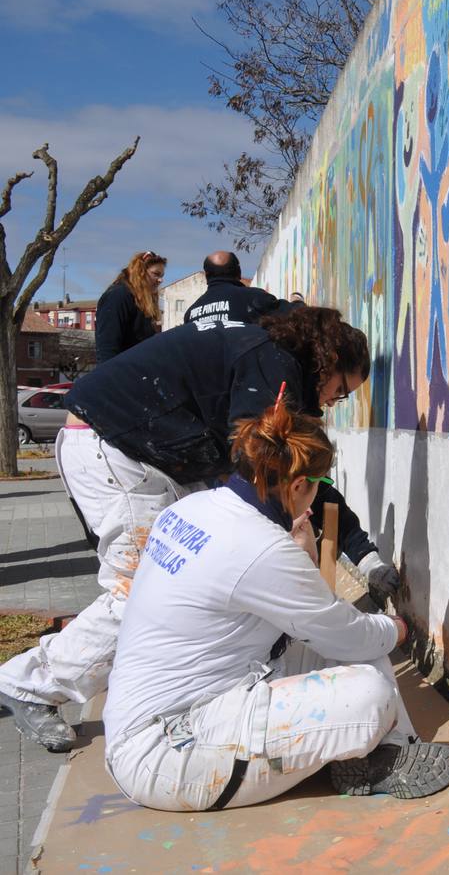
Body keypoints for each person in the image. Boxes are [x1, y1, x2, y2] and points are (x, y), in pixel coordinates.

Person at [0, 306, 385, 752]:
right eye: (338, 391)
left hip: (125, 448)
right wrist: (353, 555)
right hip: (117, 454)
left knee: (171, 579)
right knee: (145, 588)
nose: (325, 405)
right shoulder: (274, 368)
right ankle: (28, 683)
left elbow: (298, 482)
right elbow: (284, 476)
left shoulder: (261, 354)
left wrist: (359, 550)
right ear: (326, 359)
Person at [102, 400, 449, 809]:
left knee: (355, 652)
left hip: (170, 713)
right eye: (318, 485)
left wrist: (302, 560)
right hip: (173, 753)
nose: (317, 498)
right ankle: (380, 754)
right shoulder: (261, 547)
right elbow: (347, 634)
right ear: (294, 487)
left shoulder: (193, 508)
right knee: (370, 690)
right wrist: (398, 628)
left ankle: (386, 755)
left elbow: (306, 620)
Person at [183, 253, 401, 605]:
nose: (333, 401)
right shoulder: (270, 357)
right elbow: (307, 486)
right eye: (341, 391)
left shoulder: (194, 312)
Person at [95, 250, 164, 362]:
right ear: (140, 272)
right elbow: (107, 346)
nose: (160, 280)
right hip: (120, 373)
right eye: (156, 274)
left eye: (161, 275)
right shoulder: (117, 296)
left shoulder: (141, 300)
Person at [184, 251, 285, 327]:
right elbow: (293, 316)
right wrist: (297, 299)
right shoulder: (254, 298)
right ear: (239, 271)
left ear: (206, 275)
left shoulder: (190, 314)